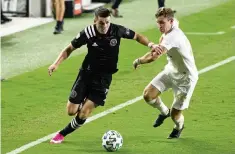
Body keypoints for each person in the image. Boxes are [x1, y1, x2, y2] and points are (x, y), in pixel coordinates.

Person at [49, 7, 155, 144]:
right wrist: (56, 64)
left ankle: (62, 134)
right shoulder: (87, 33)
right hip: (86, 74)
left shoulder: (116, 30)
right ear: (95, 21)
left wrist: (151, 44)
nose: (105, 26)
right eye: (101, 23)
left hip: (103, 79)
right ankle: (83, 99)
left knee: (84, 113)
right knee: (71, 111)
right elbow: (69, 48)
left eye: (107, 22)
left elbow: (137, 36)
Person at [133, 7, 198, 139]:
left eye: (162, 22)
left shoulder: (173, 36)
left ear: (170, 21)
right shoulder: (172, 24)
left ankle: (179, 127)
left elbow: (154, 56)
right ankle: (164, 112)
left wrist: (139, 61)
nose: (159, 26)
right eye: (158, 22)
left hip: (186, 79)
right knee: (148, 95)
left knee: (176, 115)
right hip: (171, 70)